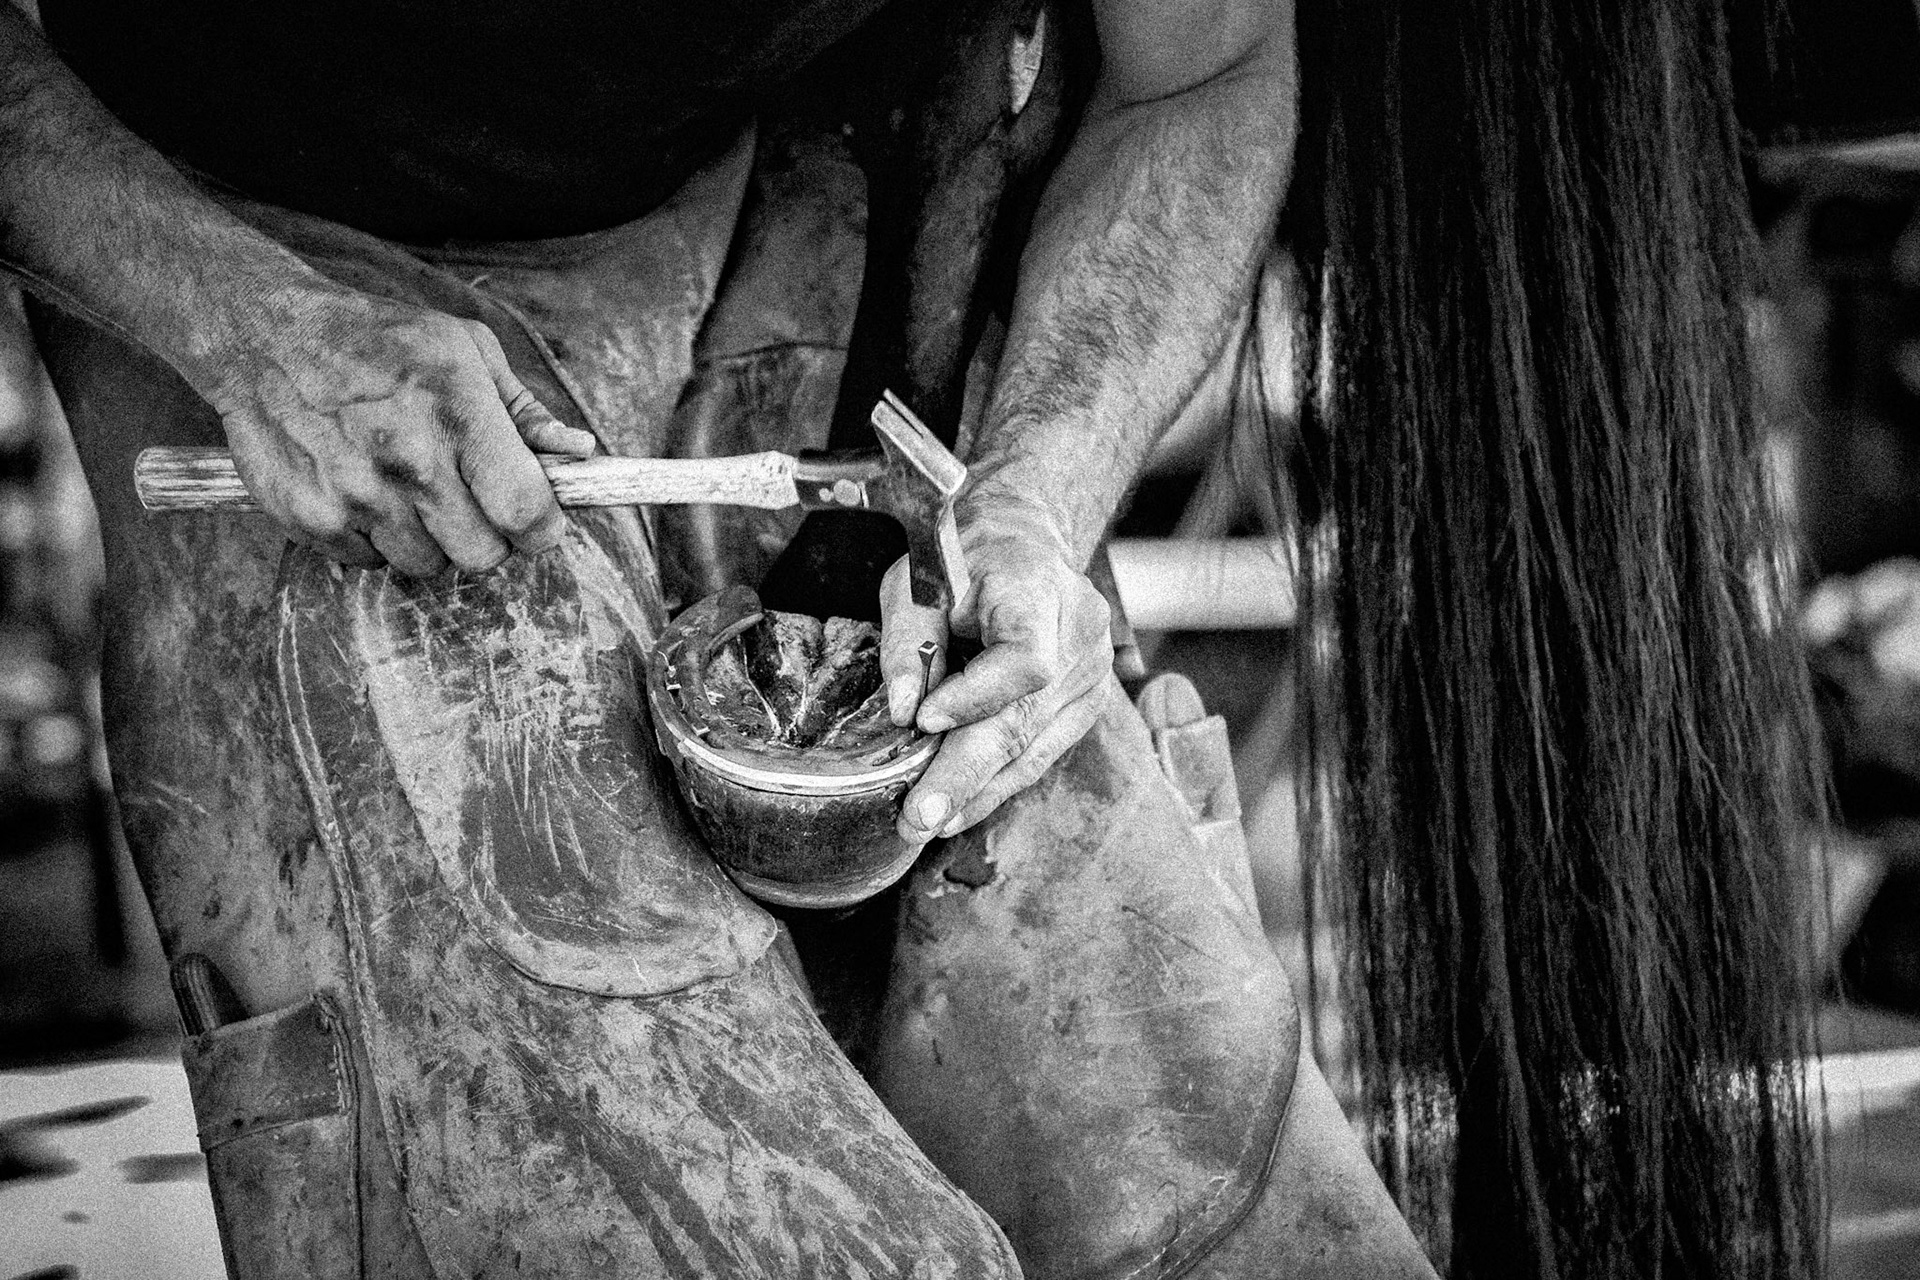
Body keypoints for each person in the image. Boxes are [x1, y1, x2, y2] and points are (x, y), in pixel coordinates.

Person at [1, 0, 1436, 1276]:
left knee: (1222, 1199)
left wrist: (1039, 503)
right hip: (263, 241)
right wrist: (254, 333)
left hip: (812, 183)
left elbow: (1207, 65)